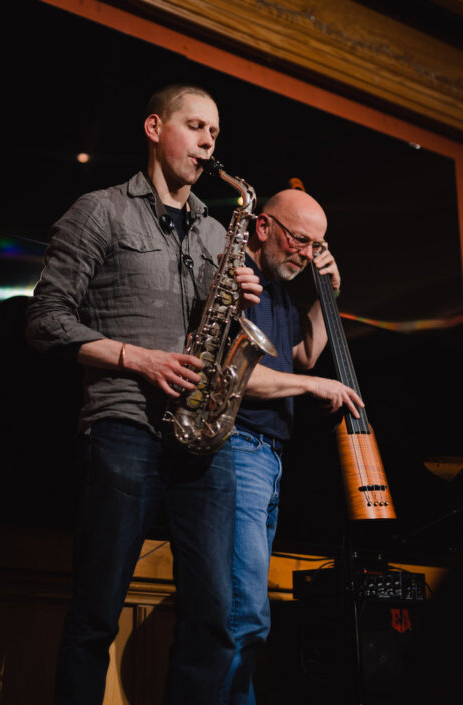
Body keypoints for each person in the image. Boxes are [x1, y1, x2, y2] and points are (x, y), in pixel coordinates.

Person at [25, 83, 263, 705]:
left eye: (215, 131)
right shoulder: (99, 210)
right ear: (155, 128)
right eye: (196, 126)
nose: (210, 141)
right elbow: (45, 320)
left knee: (214, 618)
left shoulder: (217, 234)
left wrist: (242, 301)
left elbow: (218, 335)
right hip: (124, 425)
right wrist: (139, 359)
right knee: (97, 611)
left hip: (204, 439)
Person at [219, 188, 364, 704]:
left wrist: (330, 296)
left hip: (268, 456)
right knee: (244, 614)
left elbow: (301, 355)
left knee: (246, 613)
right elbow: (234, 377)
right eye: (300, 240)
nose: (307, 254)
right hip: (237, 449)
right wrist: (315, 387)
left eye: (317, 245)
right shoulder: (240, 281)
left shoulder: (282, 291)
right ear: (263, 227)